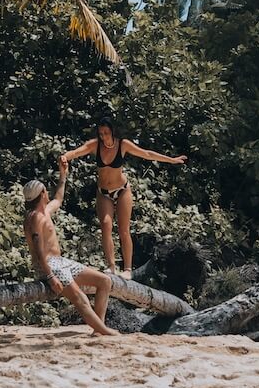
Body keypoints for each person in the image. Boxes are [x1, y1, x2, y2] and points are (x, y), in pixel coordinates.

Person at [60, 117, 187, 279]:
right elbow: (77, 151)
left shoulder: (123, 144)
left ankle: (127, 269)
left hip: (122, 190)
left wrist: (172, 160)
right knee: (106, 226)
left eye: (106, 133)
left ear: (112, 131)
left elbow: (146, 154)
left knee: (123, 229)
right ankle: (111, 267)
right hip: (103, 192)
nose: (104, 136)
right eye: (101, 133)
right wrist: (65, 156)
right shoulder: (95, 145)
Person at [23, 160, 120, 336]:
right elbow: (38, 249)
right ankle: (105, 331)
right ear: (42, 193)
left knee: (104, 281)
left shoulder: (45, 211)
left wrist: (63, 175)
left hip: (60, 262)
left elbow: (58, 199)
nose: (48, 193)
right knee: (79, 298)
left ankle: (98, 330)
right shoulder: (35, 217)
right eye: (46, 191)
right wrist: (50, 275)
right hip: (49, 265)